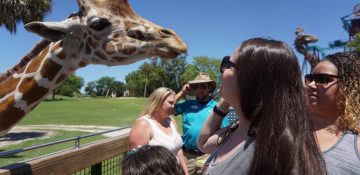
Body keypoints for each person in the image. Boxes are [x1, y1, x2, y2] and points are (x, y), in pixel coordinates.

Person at [196, 38, 326, 175]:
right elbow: (203, 143)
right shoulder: (241, 128)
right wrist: (227, 99)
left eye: (227, 64)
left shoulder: (271, 152)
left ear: (250, 79)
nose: (222, 71)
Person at [305, 52, 360, 174]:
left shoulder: (356, 140)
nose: (311, 85)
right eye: (310, 79)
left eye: (322, 79)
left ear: (347, 85)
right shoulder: (288, 128)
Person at [174, 72, 229, 175]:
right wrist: (182, 92)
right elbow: (167, 109)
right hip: (186, 157)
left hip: (207, 155)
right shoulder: (187, 104)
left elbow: (226, 133)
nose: (199, 90)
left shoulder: (218, 107)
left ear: (209, 88)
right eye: (196, 86)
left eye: (203, 86)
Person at [128, 87, 189, 174]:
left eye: (174, 103)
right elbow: (136, 163)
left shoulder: (171, 121)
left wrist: (186, 172)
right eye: (170, 103)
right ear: (158, 102)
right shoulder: (144, 124)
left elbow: (178, 149)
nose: (173, 106)